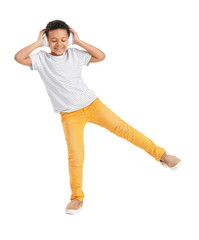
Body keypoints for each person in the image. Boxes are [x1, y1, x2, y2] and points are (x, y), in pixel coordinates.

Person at [14, 19, 183, 215]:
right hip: (70, 115)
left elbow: (100, 56)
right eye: (53, 40)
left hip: (93, 105)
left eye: (63, 39)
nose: (59, 44)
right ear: (46, 40)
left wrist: (78, 41)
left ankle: (162, 156)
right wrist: (37, 42)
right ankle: (76, 198)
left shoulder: (74, 54)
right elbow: (19, 57)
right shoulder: (41, 59)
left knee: (125, 130)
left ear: (69, 39)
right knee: (75, 155)